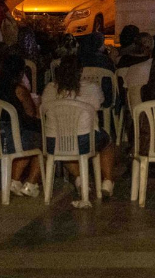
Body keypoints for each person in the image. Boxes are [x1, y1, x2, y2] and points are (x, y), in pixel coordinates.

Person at [41, 55, 116, 201]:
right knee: (107, 141)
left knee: (65, 145)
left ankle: (80, 179)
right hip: (85, 140)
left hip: (54, 141)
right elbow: (99, 105)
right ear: (81, 71)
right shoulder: (92, 88)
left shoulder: (50, 88)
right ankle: (107, 181)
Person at [0, 53, 42, 197]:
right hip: (12, 139)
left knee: (29, 139)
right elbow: (31, 114)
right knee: (45, 141)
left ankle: (15, 180)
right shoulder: (19, 90)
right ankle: (30, 183)